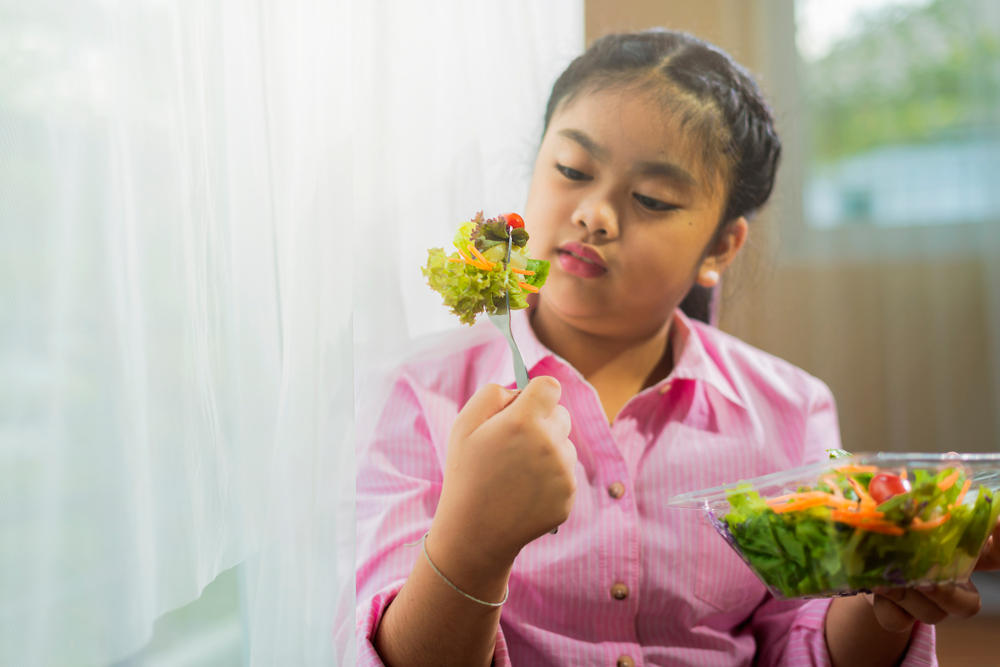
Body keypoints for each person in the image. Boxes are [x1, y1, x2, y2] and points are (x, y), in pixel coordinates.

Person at [354, 30, 999, 667]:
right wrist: (474, 540)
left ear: (720, 248)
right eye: (572, 171)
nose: (595, 214)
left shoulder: (790, 408)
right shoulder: (423, 393)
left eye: (653, 199)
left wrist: (883, 603)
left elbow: (799, 641)